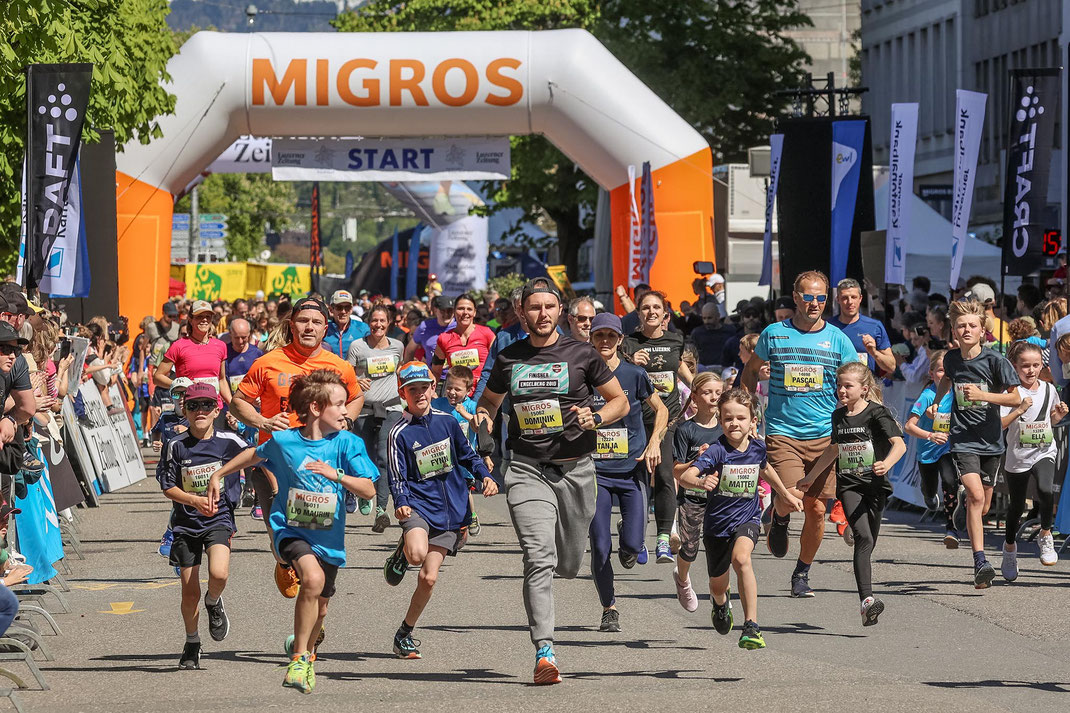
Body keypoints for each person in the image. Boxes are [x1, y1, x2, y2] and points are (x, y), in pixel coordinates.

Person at [475, 277, 628, 685]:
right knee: (537, 557)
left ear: (559, 311)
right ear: (522, 312)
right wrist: (484, 424)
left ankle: (565, 567)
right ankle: (545, 651)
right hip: (526, 469)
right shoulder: (509, 358)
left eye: (549, 307)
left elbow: (620, 401)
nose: (542, 314)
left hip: (576, 470)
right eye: (534, 307)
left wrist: (595, 417)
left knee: (569, 563)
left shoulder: (582, 354)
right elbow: (488, 404)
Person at [206, 370, 378, 694]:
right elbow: (253, 455)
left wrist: (337, 475)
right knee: (311, 580)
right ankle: (298, 658)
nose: (346, 411)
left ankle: (307, 653)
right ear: (315, 407)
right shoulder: (286, 443)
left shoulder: (348, 444)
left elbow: (369, 489)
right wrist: (219, 473)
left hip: (329, 539)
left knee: (321, 606)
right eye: (339, 405)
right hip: (290, 530)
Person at [229, 297, 364, 598]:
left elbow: (356, 397)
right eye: (303, 321)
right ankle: (282, 561)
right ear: (291, 325)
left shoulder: (338, 366)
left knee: (319, 538)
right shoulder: (267, 363)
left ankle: (314, 606)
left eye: (316, 322)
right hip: (273, 461)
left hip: (320, 464)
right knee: (280, 534)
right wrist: (262, 422)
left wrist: (346, 421)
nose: (309, 327)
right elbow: (238, 401)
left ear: (325, 328)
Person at [740, 270, 857, 598]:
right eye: (809, 296)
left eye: (822, 297)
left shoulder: (838, 340)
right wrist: (749, 413)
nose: (816, 303)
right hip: (783, 431)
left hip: (824, 436)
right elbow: (751, 371)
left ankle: (802, 572)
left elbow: (856, 381)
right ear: (796, 298)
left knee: (818, 509)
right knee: (792, 498)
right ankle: (778, 515)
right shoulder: (774, 334)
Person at [382, 361, 498, 659]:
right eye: (412, 390)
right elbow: (396, 476)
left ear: (433, 390)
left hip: (452, 510)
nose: (419, 394)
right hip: (418, 505)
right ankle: (405, 548)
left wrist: (484, 475)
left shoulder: (447, 421)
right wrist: (401, 502)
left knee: (428, 578)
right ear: (402, 394)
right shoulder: (399, 432)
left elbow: (467, 455)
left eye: (424, 388)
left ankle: (404, 633)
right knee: (418, 555)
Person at [676, 388, 802, 649]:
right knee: (717, 585)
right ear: (721, 421)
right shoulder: (716, 451)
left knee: (742, 558)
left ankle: (752, 625)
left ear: (753, 421)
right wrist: (701, 481)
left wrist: (786, 495)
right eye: (728, 418)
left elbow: (766, 470)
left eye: (741, 418)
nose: (734, 423)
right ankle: (720, 604)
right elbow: (684, 476)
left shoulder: (757, 448)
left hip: (747, 518)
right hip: (717, 526)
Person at [929, 298, 1020, 588]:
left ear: (983, 330)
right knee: (977, 497)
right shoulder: (951, 359)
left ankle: (961, 511)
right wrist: (937, 401)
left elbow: (1015, 398)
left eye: (972, 326)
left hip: (992, 441)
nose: (966, 330)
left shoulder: (996, 361)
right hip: (963, 439)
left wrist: (984, 397)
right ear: (953, 331)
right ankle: (980, 561)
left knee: (981, 506)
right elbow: (947, 381)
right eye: (961, 326)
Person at [586, 313, 667, 632]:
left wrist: (654, 443)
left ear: (620, 340)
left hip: (632, 469)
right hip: (595, 472)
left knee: (631, 547)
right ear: (591, 339)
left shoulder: (634, 374)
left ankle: (632, 543)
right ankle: (609, 608)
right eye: (598, 336)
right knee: (600, 545)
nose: (604, 341)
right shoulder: (582, 374)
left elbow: (661, 409)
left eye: (610, 336)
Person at [159, 383, 249, 669]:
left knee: (219, 573)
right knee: (189, 591)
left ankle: (214, 601)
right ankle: (192, 641)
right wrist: (192, 501)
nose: (200, 411)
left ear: (216, 409)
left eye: (206, 406)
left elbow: (256, 453)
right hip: (185, 523)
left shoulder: (228, 441)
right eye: (194, 406)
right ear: (184, 409)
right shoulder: (176, 445)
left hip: (219, 518)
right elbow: (167, 486)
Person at [828, 362, 905, 626]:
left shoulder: (877, 413)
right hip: (849, 485)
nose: (841, 390)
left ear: (864, 389)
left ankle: (853, 527)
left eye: (847, 386)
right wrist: (810, 478)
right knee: (863, 537)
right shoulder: (838, 417)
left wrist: (887, 464)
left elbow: (900, 445)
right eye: (839, 385)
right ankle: (867, 601)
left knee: (869, 541)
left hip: (875, 486)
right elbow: (834, 450)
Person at [621, 291, 693, 563]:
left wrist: (697, 388)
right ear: (638, 313)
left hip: (668, 419)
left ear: (665, 314)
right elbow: (615, 374)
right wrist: (630, 362)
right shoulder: (627, 343)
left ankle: (664, 538)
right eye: (645, 308)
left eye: (657, 308)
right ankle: (633, 533)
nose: (651, 312)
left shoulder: (675, 339)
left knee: (664, 474)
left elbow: (680, 368)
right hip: (637, 420)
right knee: (637, 478)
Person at [998, 341, 1067, 578]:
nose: (1031, 370)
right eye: (1025, 366)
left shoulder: (1049, 389)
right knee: (1016, 506)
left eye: (1036, 365)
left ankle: (1045, 534)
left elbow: (1052, 420)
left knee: (1046, 490)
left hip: (1044, 450)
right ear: (1014, 367)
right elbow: (1000, 424)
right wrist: (1018, 409)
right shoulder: (1011, 392)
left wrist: (1057, 416)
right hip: (1018, 454)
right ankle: (1009, 549)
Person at [348, 304, 405, 531]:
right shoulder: (357, 347)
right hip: (363, 409)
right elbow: (347, 374)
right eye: (374, 321)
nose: (378, 325)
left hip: (391, 408)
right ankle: (365, 493)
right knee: (366, 457)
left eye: (382, 321)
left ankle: (381, 509)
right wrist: (355, 381)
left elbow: (399, 371)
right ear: (368, 322)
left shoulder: (397, 346)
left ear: (389, 323)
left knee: (384, 456)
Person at [671, 372, 723, 612]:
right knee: (689, 549)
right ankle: (682, 578)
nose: (713, 397)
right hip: (692, 496)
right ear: (694, 396)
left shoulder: (727, 428)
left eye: (718, 393)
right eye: (707, 392)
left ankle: (721, 592)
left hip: (723, 497)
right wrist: (697, 460)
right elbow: (676, 471)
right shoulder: (686, 430)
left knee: (720, 548)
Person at [903, 351, 960, 548]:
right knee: (929, 486)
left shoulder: (957, 394)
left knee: (949, 481)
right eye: (940, 371)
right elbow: (908, 426)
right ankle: (927, 494)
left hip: (947, 448)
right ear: (931, 373)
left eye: (948, 371)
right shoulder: (927, 396)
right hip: (927, 450)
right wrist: (930, 435)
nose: (944, 375)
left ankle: (951, 528)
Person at [429, 366, 490, 534]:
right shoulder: (437, 404)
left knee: (463, 491)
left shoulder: (472, 407)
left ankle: (471, 515)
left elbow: (479, 428)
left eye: (457, 389)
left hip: (464, 460)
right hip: (440, 458)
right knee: (442, 490)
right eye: (449, 387)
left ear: (469, 390)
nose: (452, 392)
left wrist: (466, 414)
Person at [153, 300, 230, 404]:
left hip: (214, 407)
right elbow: (157, 377)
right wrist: (182, 385)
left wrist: (233, 406)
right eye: (199, 316)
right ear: (190, 319)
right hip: (189, 408)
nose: (204, 320)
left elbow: (222, 380)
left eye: (208, 316)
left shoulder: (220, 346)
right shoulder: (178, 346)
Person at [431, 293, 496, 394]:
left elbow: (498, 364)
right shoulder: (444, 338)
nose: (465, 312)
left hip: (483, 395)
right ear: (454, 311)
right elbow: (435, 371)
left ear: (474, 312)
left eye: (469, 309)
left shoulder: (487, 333)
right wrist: (432, 392)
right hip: (455, 396)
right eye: (461, 308)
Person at [828, 278, 895, 375]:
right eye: (845, 298)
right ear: (838, 299)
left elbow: (891, 367)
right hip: (837, 388)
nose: (850, 302)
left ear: (860, 298)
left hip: (865, 388)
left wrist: (874, 352)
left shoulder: (874, 326)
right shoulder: (828, 327)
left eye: (853, 297)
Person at [405, 296, 454, 365]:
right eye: (443, 311)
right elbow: (409, 350)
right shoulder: (425, 327)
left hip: (454, 374)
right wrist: (407, 371)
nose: (446, 314)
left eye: (450, 311)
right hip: (432, 374)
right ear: (435, 310)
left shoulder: (459, 326)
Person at [322, 290, 369, 360]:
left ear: (351, 309)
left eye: (347, 307)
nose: (343, 311)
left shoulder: (363, 328)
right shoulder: (323, 329)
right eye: (339, 307)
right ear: (331, 310)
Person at [689, 303, 736, 368]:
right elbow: (692, 352)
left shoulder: (730, 331)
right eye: (704, 318)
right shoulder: (697, 333)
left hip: (725, 367)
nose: (706, 321)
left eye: (710, 318)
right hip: (704, 368)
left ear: (718, 316)